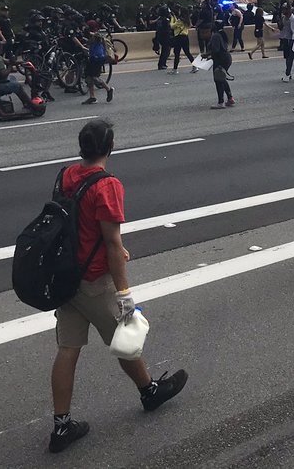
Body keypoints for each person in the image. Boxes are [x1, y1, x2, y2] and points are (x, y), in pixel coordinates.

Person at [48, 120, 187, 453]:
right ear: (109, 148)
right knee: (125, 340)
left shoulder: (67, 175)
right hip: (95, 280)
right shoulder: (106, 185)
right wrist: (124, 294)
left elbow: (75, 224)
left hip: (68, 278)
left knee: (67, 350)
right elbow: (111, 242)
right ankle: (150, 392)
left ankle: (61, 425)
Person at [82, 20, 115, 105]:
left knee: (94, 77)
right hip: (93, 58)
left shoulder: (96, 35)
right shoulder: (93, 35)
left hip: (98, 59)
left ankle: (108, 89)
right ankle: (92, 97)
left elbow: (98, 37)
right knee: (89, 78)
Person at [208, 24, 234, 109]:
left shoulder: (215, 36)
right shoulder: (221, 34)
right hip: (226, 58)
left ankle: (221, 102)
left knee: (218, 80)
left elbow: (215, 50)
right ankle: (230, 98)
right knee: (222, 78)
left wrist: (208, 55)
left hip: (220, 60)